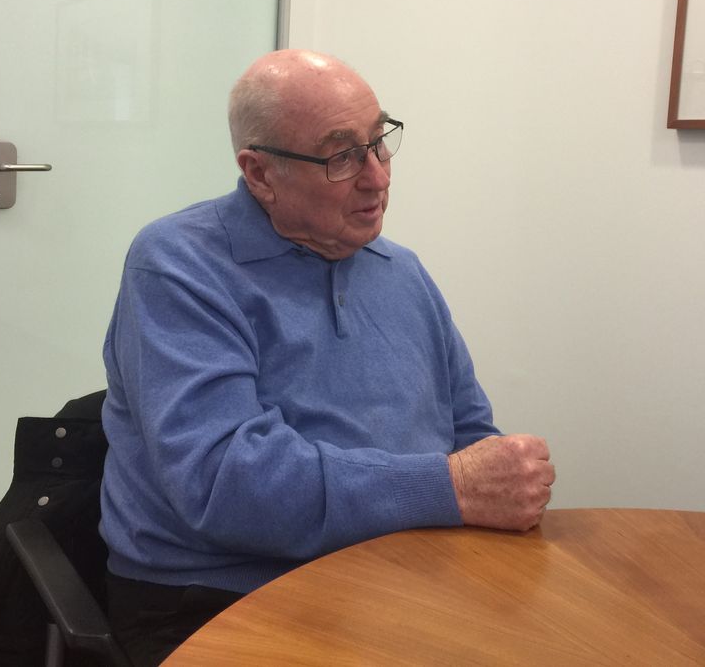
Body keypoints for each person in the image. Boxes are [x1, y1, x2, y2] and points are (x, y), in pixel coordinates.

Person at [100, 49, 555, 665]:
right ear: (260, 173)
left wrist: (493, 485)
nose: (378, 177)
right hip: (222, 596)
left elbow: (470, 436)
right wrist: (450, 487)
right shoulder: (179, 265)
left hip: (398, 577)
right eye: (342, 156)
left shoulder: (403, 273)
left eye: (379, 142)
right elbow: (225, 484)